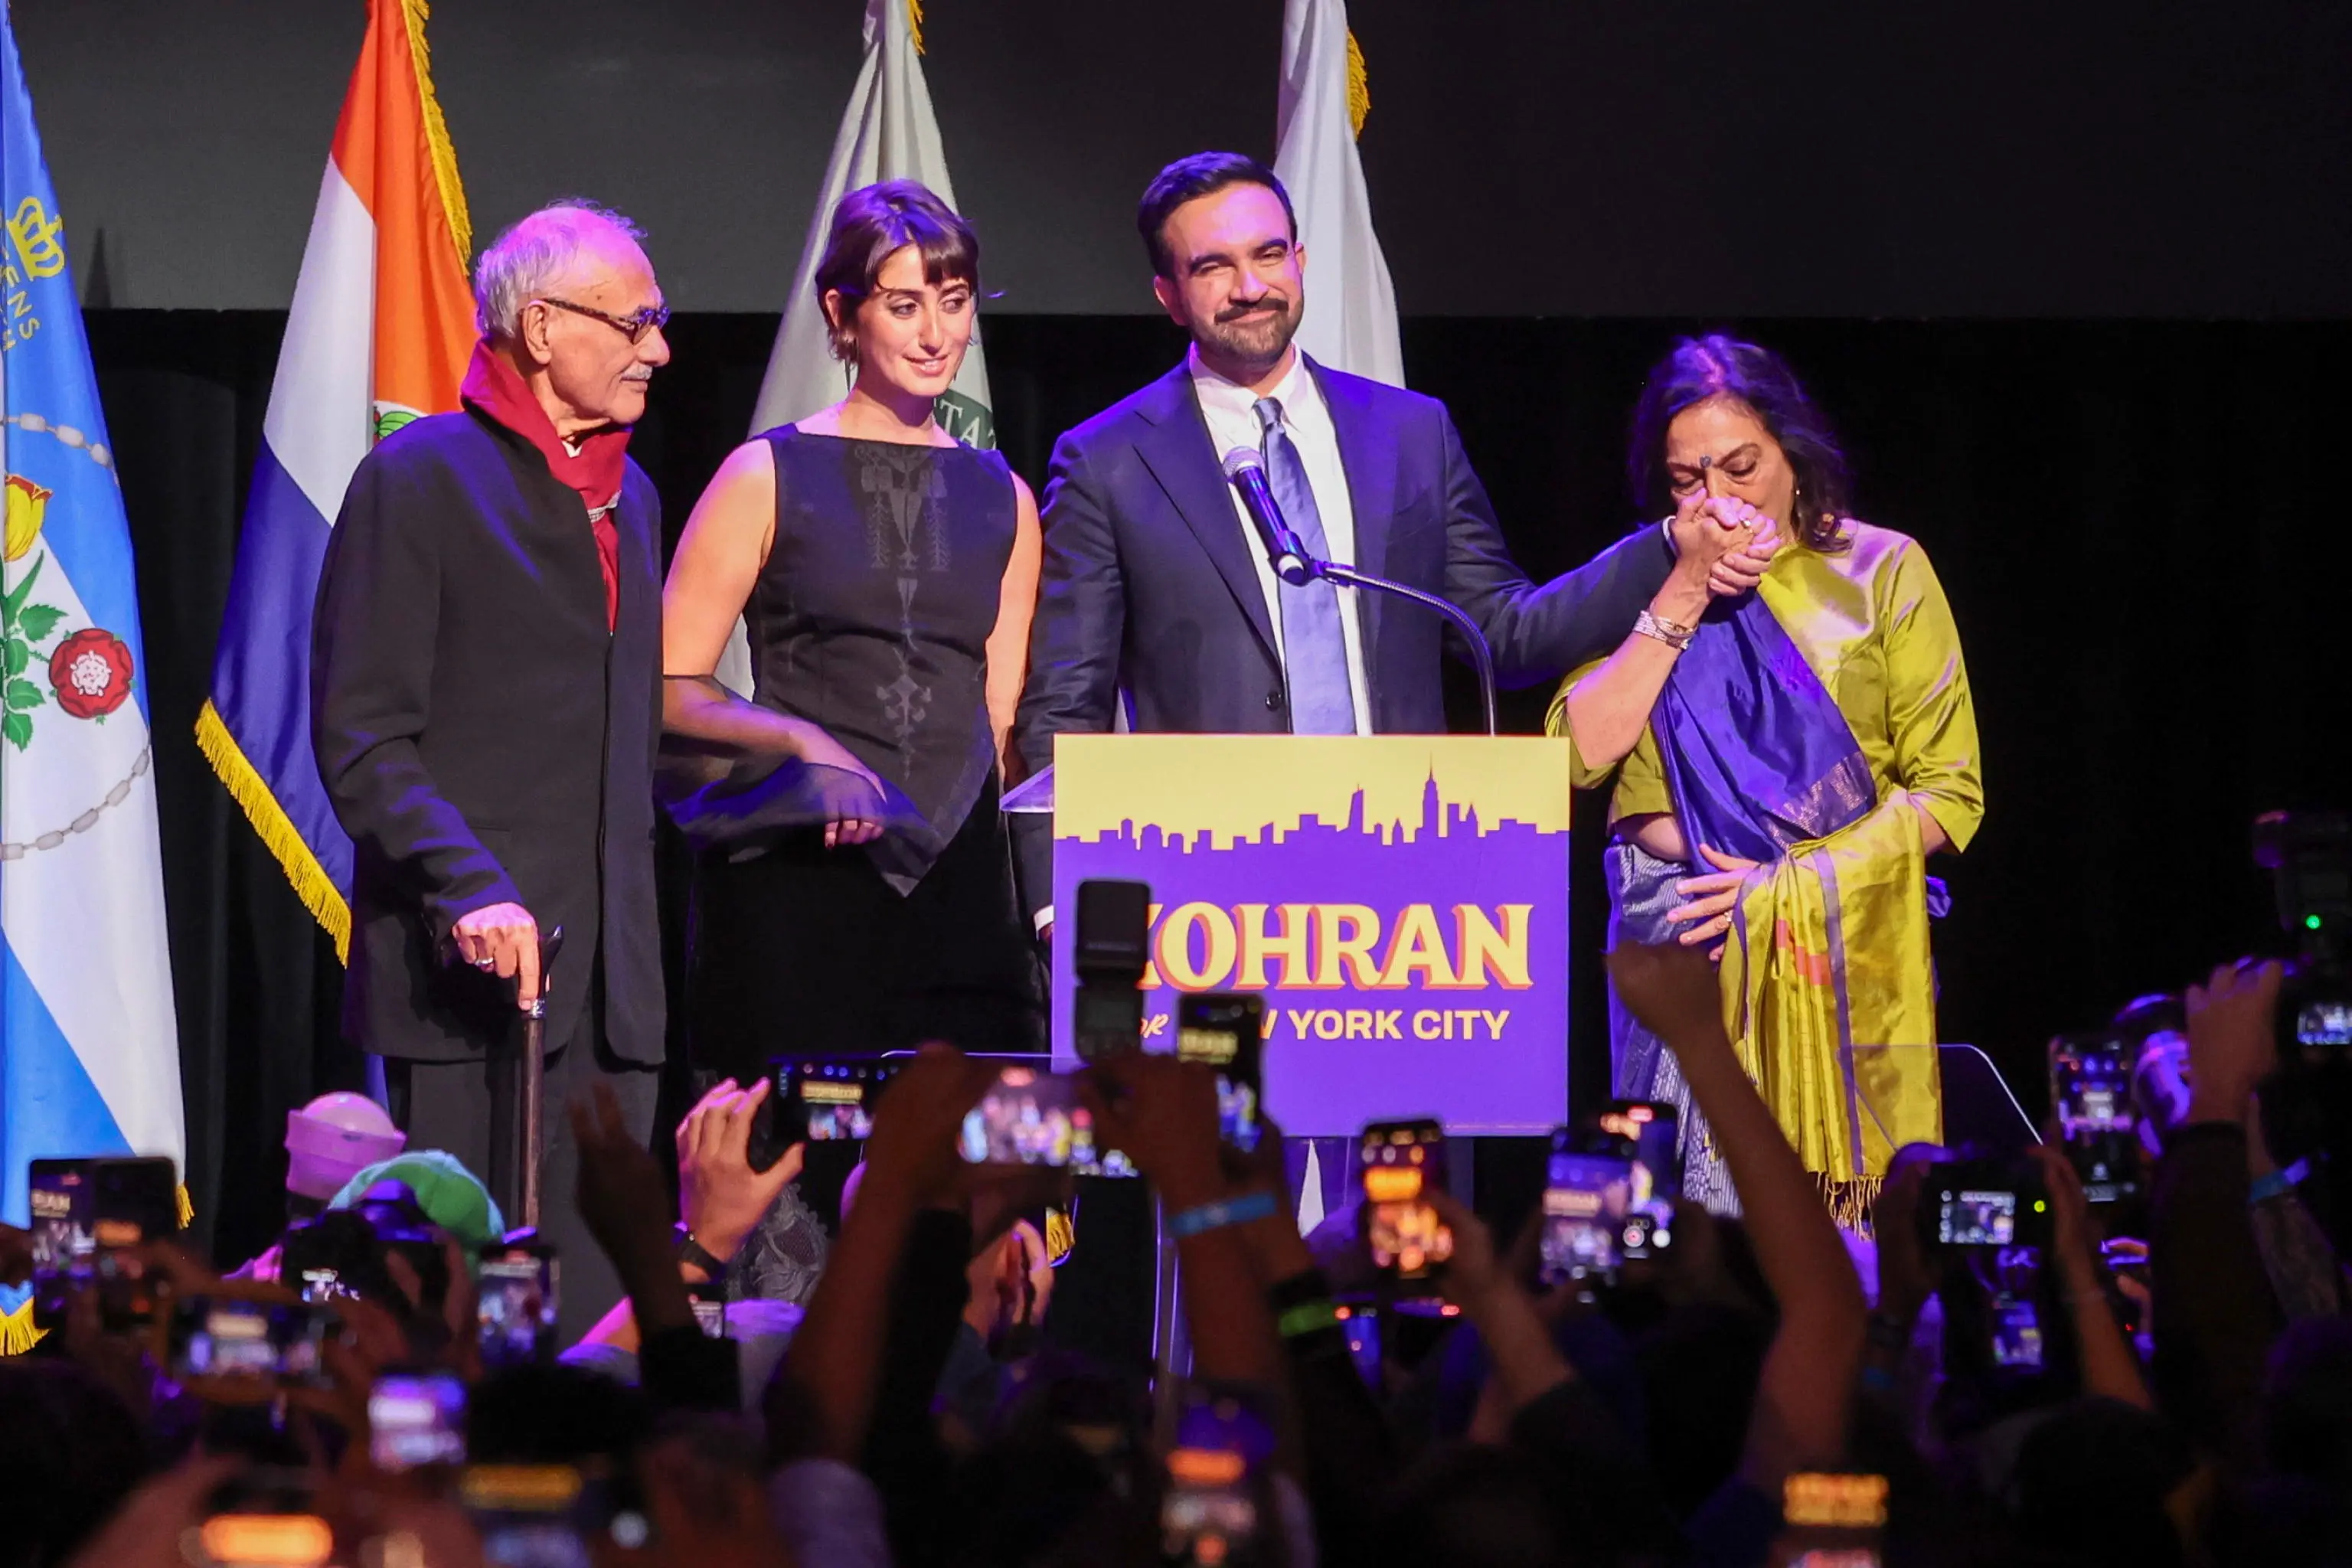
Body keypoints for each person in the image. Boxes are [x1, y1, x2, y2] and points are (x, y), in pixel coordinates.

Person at [1011, 152, 1772, 939]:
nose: (1249, 286)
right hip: (1208, 879)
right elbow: (1067, 701)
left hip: (1404, 874)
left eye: (1269, 255)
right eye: (1213, 266)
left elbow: (1503, 633)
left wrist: (1665, 549)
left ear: (1300, 260)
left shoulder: (1410, 433)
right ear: (1169, 295)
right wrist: (1054, 894)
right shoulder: (1108, 460)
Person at [310, 201, 671, 1337]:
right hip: (471, 993)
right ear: (541, 324)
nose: (657, 349)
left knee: (597, 1344)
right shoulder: (419, 480)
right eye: (635, 323)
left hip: (615, 1001)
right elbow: (363, 734)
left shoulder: (636, 496)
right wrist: (470, 883)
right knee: (458, 1335)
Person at [1549, 335, 1984, 1225]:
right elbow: (1571, 759)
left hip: (1835, 939)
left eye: (1743, 468)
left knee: (1833, 1247)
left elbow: (1950, 791)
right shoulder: (1650, 574)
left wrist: (1788, 888)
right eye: (1686, 481)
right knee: (1681, 1249)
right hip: (1679, 941)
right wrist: (1681, 592)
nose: (1718, 501)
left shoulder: (1882, 571)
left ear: (1794, 454)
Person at [661, 178, 1044, 1083]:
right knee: (797, 1171)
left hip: (960, 894)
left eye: (952, 305)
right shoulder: (766, 471)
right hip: (805, 879)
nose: (935, 333)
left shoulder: (1006, 496)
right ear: (843, 312)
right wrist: (804, 745)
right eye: (905, 305)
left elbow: (997, 723)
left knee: (957, 1183)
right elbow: (667, 683)